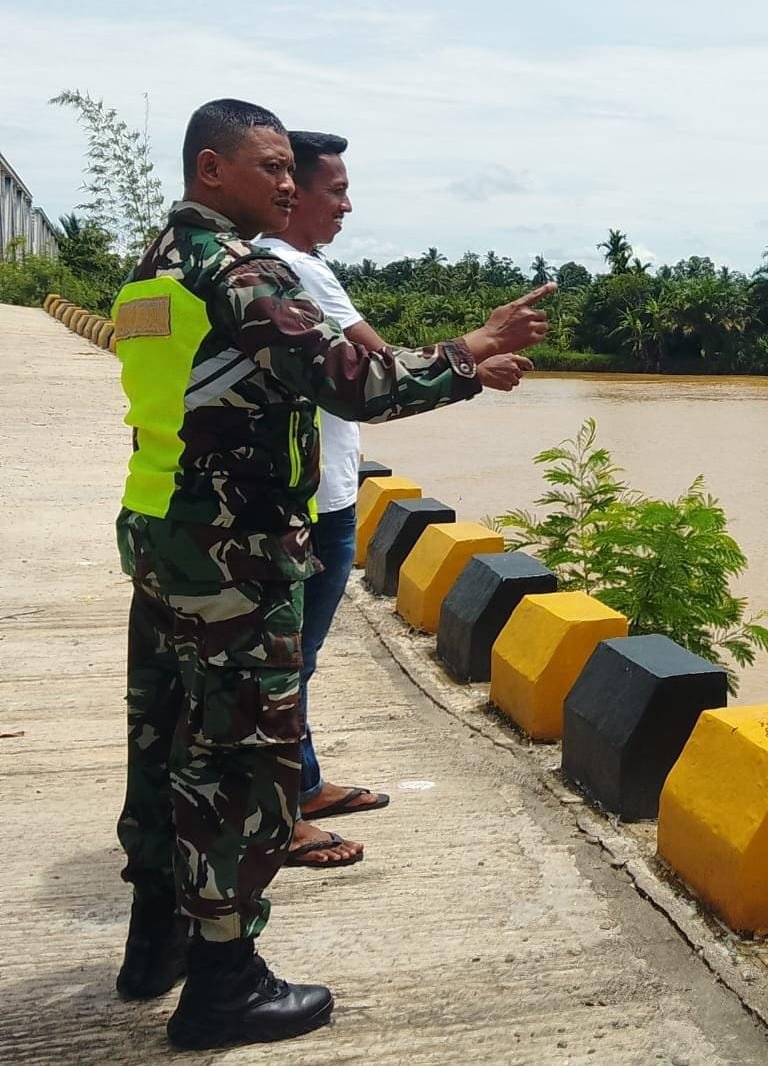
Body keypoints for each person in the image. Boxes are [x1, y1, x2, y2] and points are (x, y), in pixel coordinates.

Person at [112, 98, 553, 1050]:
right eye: (269, 167)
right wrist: (474, 351)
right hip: (233, 548)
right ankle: (225, 981)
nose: (286, 182)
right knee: (238, 760)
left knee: (164, 740)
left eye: (289, 168)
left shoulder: (153, 267)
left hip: (160, 530)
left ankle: (156, 944)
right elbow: (354, 382)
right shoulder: (242, 271)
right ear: (211, 170)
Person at [254, 132, 388, 870]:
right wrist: (475, 352)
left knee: (288, 662)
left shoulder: (260, 266)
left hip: (303, 485)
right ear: (292, 192)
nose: (346, 205)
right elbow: (376, 367)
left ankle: (301, 786)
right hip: (316, 498)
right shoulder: (297, 269)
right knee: (290, 664)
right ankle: (281, 815)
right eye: (333, 190)